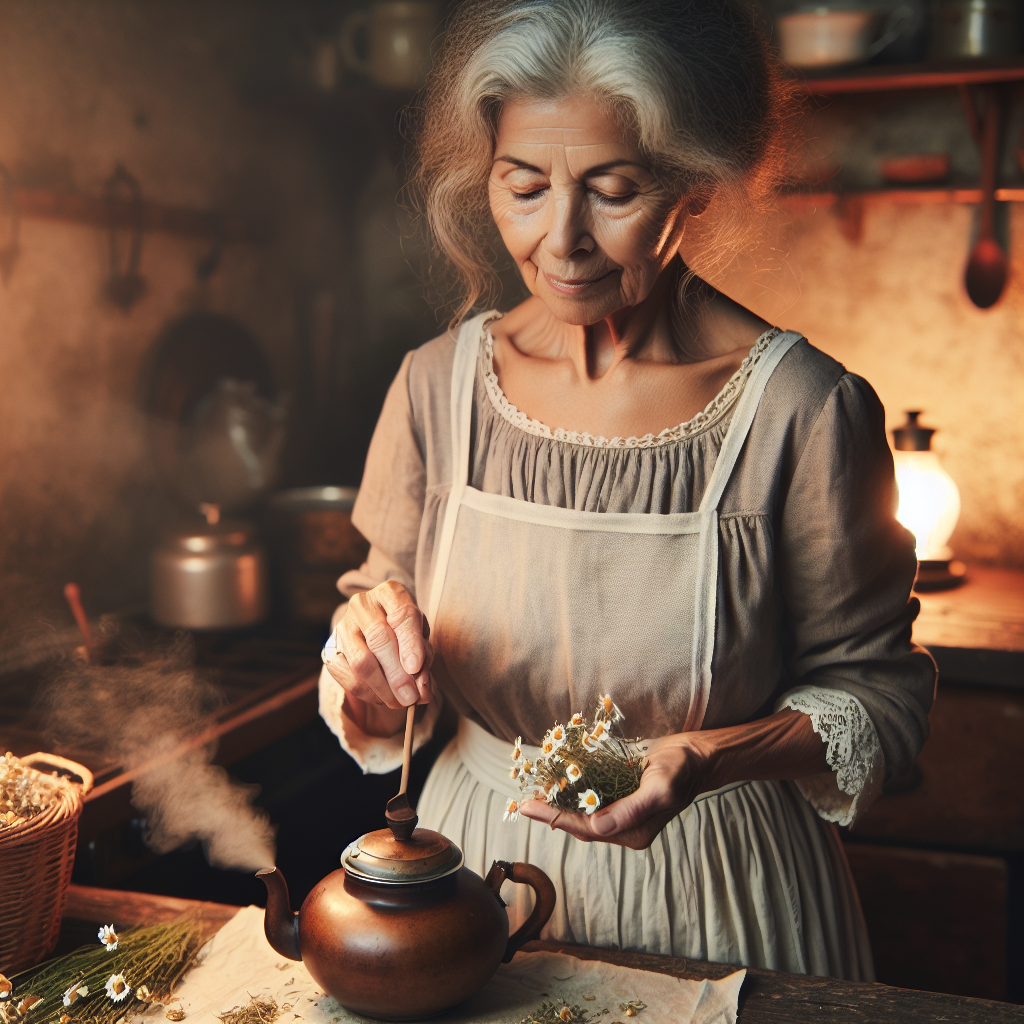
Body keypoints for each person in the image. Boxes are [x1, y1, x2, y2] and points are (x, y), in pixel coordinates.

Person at [320, 0, 935, 980]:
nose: (561, 239)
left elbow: (879, 704)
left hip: (722, 888)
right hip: (474, 883)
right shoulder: (435, 387)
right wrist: (367, 664)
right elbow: (383, 639)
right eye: (523, 185)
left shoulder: (802, 411)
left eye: (612, 188)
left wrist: (703, 758)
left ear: (692, 185)